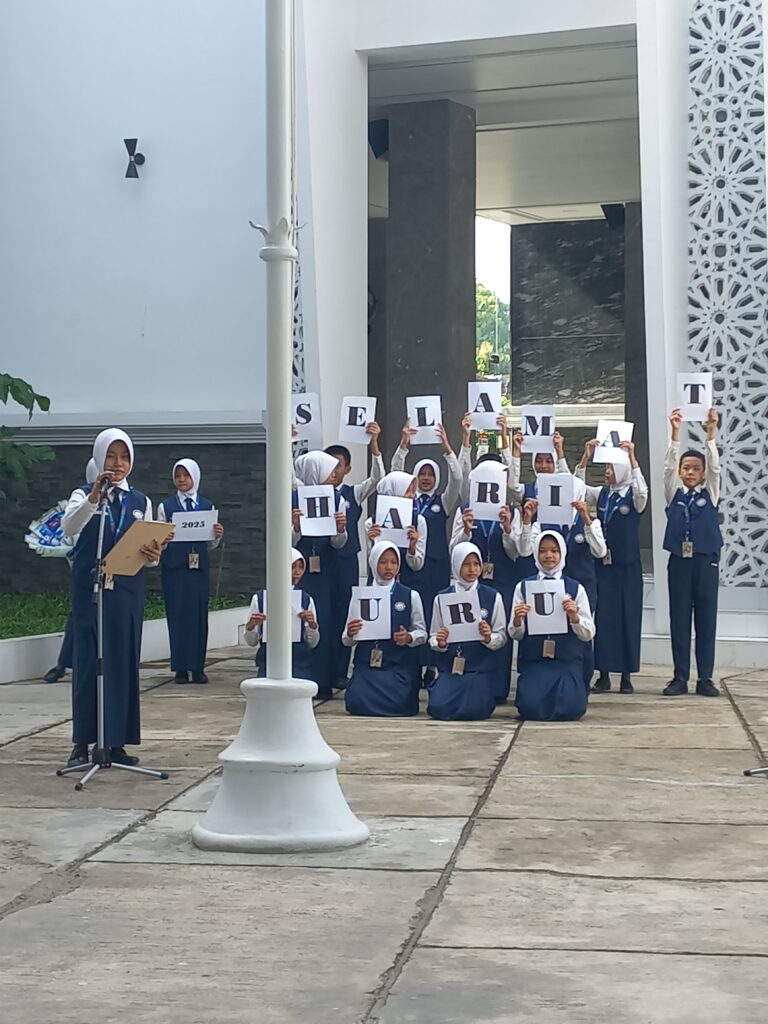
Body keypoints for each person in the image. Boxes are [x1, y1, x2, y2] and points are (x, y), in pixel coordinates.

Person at [61, 429, 164, 769]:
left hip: (125, 593)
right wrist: (94, 496)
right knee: (89, 664)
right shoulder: (83, 495)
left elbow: (149, 552)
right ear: (99, 458)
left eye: (124, 457)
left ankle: (116, 741)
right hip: (90, 593)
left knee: (122, 663)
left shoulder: (140, 501)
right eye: (111, 456)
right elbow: (69, 527)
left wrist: (154, 554)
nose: (117, 463)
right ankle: (82, 742)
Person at [449, 460, 529, 702]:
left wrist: (507, 529)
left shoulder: (511, 512)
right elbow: (454, 548)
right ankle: (474, 682)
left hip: (503, 579)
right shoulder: (465, 510)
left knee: (499, 632)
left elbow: (517, 552)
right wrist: (466, 531)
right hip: (472, 581)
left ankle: (498, 688)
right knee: (474, 630)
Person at [576, 438, 648, 694]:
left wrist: (633, 459)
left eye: (611, 468)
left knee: (628, 617)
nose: (607, 472)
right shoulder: (603, 494)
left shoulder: (633, 496)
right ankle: (603, 674)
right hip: (604, 566)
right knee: (605, 619)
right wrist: (585, 458)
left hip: (627, 567)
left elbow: (642, 492)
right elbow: (577, 488)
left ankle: (626, 675)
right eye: (606, 467)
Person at [662, 406, 722, 697]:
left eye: (695, 468)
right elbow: (668, 467)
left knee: (706, 621)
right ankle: (680, 677)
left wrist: (710, 433)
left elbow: (715, 468)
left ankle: (705, 678)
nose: (689, 472)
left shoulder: (711, 492)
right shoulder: (673, 493)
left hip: (705, 562)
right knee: (680, 620)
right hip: (679, 563)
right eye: (686, 468)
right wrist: (675, 432)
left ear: (702, 473)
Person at [509, 531, 595, 722]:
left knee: (572, 708)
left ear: (562, 553)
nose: (549, 556)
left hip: (565, 661)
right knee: (530, 708)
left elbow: (588, 633)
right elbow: (515, 634)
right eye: (543, 551)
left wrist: (574, 617)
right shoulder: (523, 587)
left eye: (554, 551)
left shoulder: (575, 588)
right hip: (536, 661)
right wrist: (517, 620)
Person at [391, 420, 462, 644]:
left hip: (436, 566)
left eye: (431, 474)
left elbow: (457, 478)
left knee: (434, 613)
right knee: (412, 612)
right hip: (410, 564)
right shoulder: (405, 501)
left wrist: (447, 448)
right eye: (422, 473)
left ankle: (433, 656)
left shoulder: (443, 502)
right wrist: (403, 444)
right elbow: (395, 475)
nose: (426, 478)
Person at [325, 421, 384, 687]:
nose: (333, 470)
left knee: (344, 615)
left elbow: (376, 480)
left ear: (347, 469)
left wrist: (374, 444)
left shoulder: (353, 493)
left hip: (346, 561)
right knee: (323, 616)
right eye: (329, 465)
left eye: (338, 465)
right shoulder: (312, 494)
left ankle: (340, 671)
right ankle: (322, 670)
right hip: (321, 562)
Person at [157, 459, 224, 684]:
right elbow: (158, 542)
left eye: (186, 475)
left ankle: (198, 667)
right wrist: (164, 538)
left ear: (195, 477)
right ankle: (180, 668)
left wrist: (217, 535)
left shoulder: (207, 506)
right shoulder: (166, 506)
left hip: (198, 569)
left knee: (198, 616)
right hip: (175, 569)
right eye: (178, 476)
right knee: (177, 615)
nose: (181, 480)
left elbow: (210, 544)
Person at [343, 541, 427, 716]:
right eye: (383, 562)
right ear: (373, 562)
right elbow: (346, 640)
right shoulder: (361, 595)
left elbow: (422, 633)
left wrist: (409, 637)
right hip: (368, 666)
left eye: (394, 562)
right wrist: (351, 632)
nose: (389, 567)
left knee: (401, 701)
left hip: (397, 666)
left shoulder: (410, 595)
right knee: (357, 700)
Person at [427, 542, 507, 721]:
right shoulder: (442, 597)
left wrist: (488, 637)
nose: (472, 569)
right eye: (466, 564)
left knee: (476, 708)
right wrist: (440, 642)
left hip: (479, 669)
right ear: (456, 565)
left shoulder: (493, 596)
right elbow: (433, 635)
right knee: (438, 707)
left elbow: (501, 636)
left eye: (476, 564)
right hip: (451, 668)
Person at [292, 449, 347, 699]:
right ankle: (302, 675)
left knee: (324, 621)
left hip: (326, 569)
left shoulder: (337, 499)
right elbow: (287, 541)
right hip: (300, 570)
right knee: (300, 619)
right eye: (329, 471)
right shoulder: (294, 498)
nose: (334, 475)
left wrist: (340, 529)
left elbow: (339, 543)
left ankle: (324, 679)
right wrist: (295, 527)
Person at [43, 458, 98, 684]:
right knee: (80, 617)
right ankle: (64, 663)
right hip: (85, 570)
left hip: (113, 572)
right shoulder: (81, 499)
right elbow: (68, 532)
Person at [244, 548, 320, 680]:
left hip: (299, 662)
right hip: (269, 661)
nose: (297, 572)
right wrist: (251, 626)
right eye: (293, 567)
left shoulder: (306, 599)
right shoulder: (260, 599)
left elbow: (312, 642)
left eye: (301, 567)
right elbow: (251, 642)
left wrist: (312, 625)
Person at [510, 427, 570, 580]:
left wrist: (560, 451)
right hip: (532, 551)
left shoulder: (563, 488)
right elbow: (512, 486)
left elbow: (568, 480)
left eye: (549, 461)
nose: (543, 466)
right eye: (538, 461)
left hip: (558, 553)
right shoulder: (528, 489)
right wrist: (516, 452)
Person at [364, 471, 427, 587]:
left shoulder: (419, 521)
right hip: (379, 587)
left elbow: (417, 565)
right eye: (407, 491)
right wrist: (374, 544)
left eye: (413, 491)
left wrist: (412, 547)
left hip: (408, 586)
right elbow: (371, 563)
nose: (411, 496)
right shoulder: (371, 524)